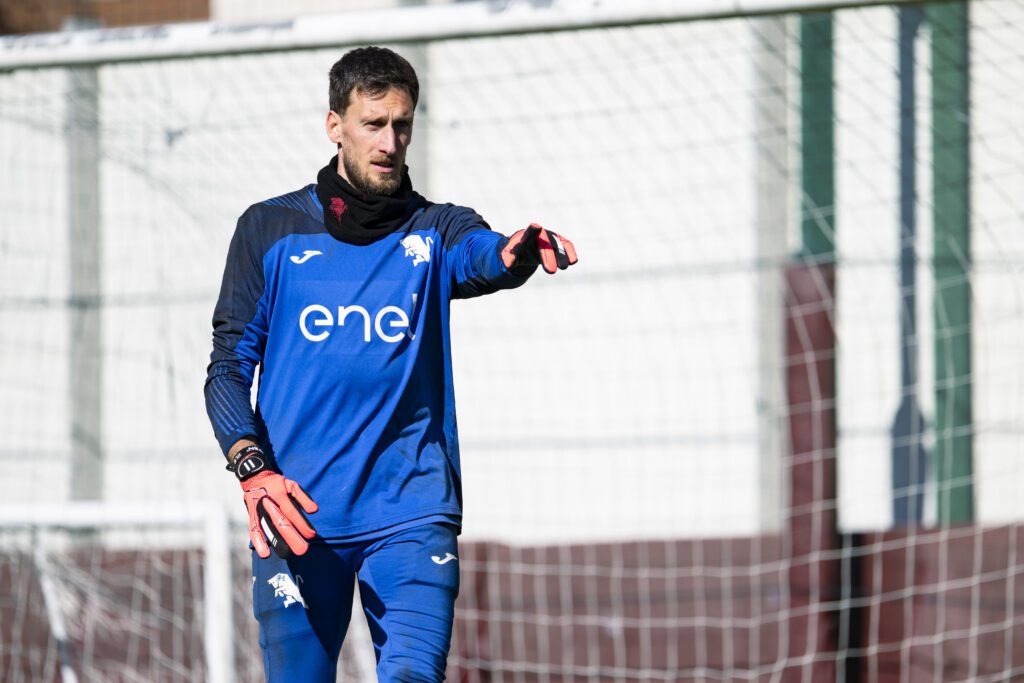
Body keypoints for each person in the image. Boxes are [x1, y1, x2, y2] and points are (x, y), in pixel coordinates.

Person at [203, 46, 577, 682]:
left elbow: (482, 255)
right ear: (335, 126)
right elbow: (227, 368)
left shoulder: (436, 230)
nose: (389, 141)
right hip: (297, 515)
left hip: (410, 510)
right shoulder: (269, 230)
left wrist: (514, 255)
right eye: (373, 124)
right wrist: (251, 466)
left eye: (401, 125)